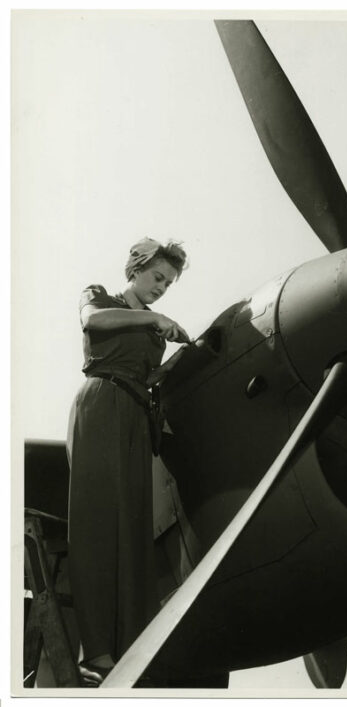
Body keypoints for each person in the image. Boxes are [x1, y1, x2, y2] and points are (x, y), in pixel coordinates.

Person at [66, 237, 190, 686]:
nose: (161, 287)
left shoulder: (154, 330)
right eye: (157, 277)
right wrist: (153, 317)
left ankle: (130, 647)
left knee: (135, 530)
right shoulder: (99, 295)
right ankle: (95, 651)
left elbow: (148, 375)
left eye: (168, 283)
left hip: (139, 418)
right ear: (135, 269)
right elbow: (92, 320)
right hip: (101, 405)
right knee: (97, 525)